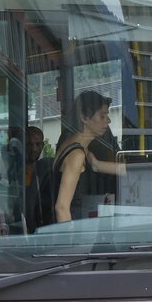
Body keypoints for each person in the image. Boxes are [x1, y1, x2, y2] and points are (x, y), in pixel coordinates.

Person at [52, 90, 113, 223]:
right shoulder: (76, 154)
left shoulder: (77, 146)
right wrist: (70, 241)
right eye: (102, 116)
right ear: (84, 118)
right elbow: (61, 207)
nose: (108, 121)